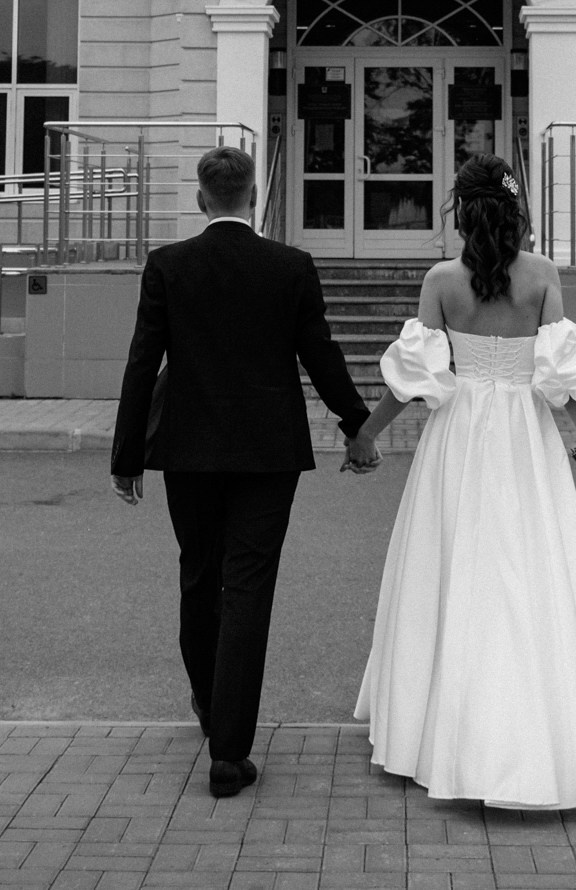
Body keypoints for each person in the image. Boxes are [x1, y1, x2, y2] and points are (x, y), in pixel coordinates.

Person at [343, 153, 576, 810]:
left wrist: (366, 435)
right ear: (515, 210)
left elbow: (414, 381)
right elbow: (561, 378)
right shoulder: (544, 276)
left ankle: (436, 735)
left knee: (448, 572)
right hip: (525, 437)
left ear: (460, 211)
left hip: (460, 439)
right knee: (531, 573)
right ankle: (536, 739)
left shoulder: (441, 280)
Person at [110, 144, 374, 799]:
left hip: (188, 450)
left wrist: (126, 456)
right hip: (267, 452)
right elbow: (321, 353)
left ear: (202, 200)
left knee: (199, 575)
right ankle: (229, 752)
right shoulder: (289, 266)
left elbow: (143, 361)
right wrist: (357, 426)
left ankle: (209, 706)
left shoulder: (168, 265)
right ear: (252, 197)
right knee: (247, 587)